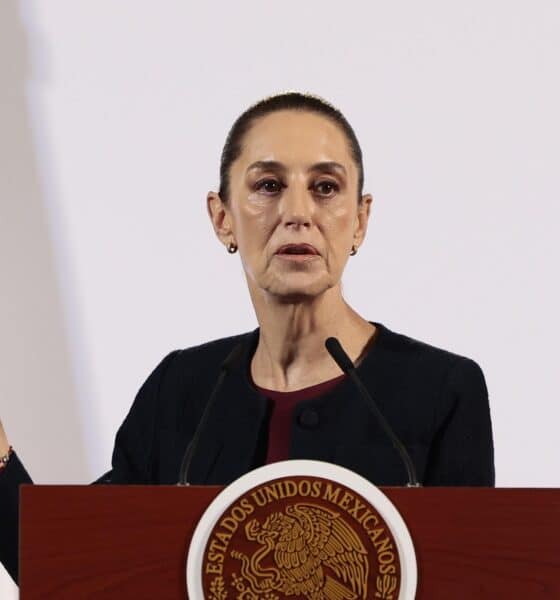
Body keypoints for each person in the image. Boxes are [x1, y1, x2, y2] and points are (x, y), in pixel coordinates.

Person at [0, 92, 495, 584]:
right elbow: (71, 570)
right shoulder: (180, 389)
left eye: (325, 187)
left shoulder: (441, 389)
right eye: (269, 185)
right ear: (223, 218)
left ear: (360, 221)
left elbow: (478, 580)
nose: (297, 211)